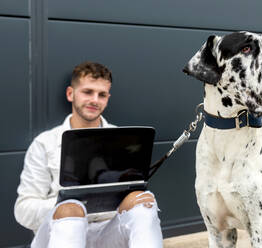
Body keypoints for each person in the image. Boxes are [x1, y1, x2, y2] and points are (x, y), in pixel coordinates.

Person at [14, 62, 163, 248]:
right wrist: (68, 206)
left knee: (144, 203)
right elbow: (23, 210)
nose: (95, 100)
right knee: (70, 212)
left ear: (108, 98)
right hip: (59, 234)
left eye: (102, 95)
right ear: (70, 94)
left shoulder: (122, 140)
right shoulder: (44, 143)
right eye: (88, 92)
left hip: (108, 234)